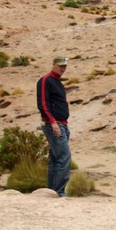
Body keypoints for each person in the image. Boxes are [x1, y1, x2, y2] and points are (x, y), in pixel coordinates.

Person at [36, 56, 72, 196]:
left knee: (56, 158)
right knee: (64, 156)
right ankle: (59, 192)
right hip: (54, 124)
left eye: (64, 66)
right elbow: (43, 103)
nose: (62, 69)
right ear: (53, 65)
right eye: (60, 66)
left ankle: (50, 192)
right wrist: (52, 122)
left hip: (62, 124)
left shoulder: (57, 82)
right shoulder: (46, 80)